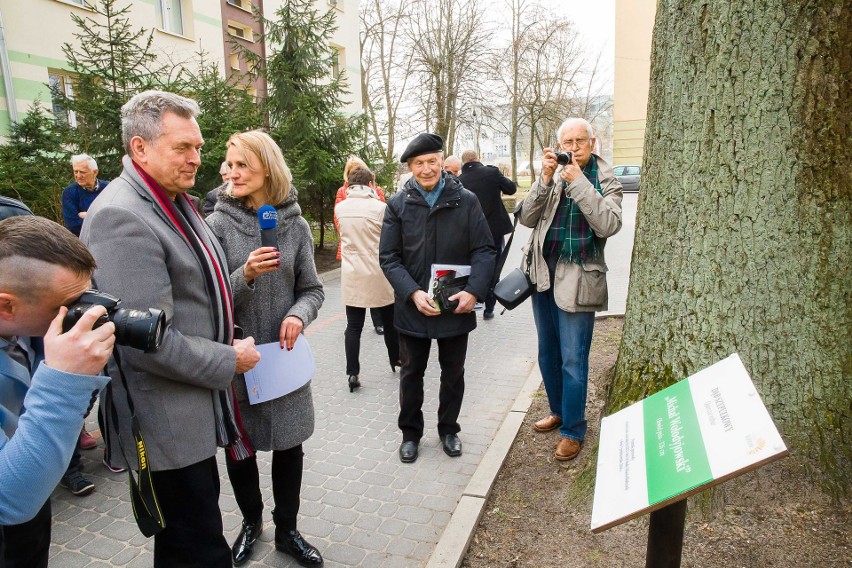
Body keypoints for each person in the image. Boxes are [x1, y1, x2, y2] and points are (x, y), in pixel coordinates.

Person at [80, 90, 261, 567]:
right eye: (183, 148)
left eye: (199, 147)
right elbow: (147, 343)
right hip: (166, 425)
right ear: (140, 148)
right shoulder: (122, 216)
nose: (197, 159)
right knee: (197, 547)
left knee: (189, 540)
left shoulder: (170, 198)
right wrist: (229, 360)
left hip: (191, 409)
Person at [206, 130, 325, 567]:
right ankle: (251, 523)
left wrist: (298, 315)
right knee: (242, 450)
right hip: (239, 360)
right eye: (228, 164)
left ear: (267, 169)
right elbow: (208, 297)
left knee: (289, 446)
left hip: (284, 361)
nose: (229, 172)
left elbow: (312, 289)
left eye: (241, 165)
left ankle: (288, 530)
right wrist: (245, 275)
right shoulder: (216, 225)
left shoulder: (293, 226)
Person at [0, 215, 114, 567]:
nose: (84, 314)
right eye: (66, 306)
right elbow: (11, 499)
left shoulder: (30, 328)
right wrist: (65, 380)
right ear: (6, 305)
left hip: (34, 510)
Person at [380, 133, 495, 463]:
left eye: (432, 161)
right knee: (411, 373)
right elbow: (389, 257)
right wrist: (412, 292)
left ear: (442, 162)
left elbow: (485, 249)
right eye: (419, 163)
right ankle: (410, 434)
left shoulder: (466, 200)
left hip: (456, 305)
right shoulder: (398, 205)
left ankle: (449, 429)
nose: (427, 169)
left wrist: (474, 290)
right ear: (411, 167)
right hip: (414, 306)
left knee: (453, 373)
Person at [519, 117, 622, 461]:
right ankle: (559, 410)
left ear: (593, 143)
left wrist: (578, 182)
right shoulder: (555, 173)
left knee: (573, 359)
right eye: (567, 143)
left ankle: (573, 429)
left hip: (578, 279)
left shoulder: (604, 179)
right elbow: (527, 219)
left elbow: (608, 224)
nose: (573, 148)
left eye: (580, 141)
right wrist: (545, 179)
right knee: (548, 353)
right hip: (543, 274)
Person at [335, 166, 400, 393]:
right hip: (378, 270)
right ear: (371, 184)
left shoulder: (341, 208)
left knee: (353, 326)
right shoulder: (381, 207)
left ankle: (352, 372)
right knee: (390, 322)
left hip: (352, 271)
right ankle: (396, 359)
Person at [458, 149, 518, 319]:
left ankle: (473, 300)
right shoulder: (491, 172)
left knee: (473, 266)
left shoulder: (459, 180)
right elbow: (511, 189)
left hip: (470, 233)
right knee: (494, 267)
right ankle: (489, 307)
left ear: (463, 163)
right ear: (478, 158)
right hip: (494, 231)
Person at [334, 155, 387, 335]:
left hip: (371, 244)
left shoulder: (376, 192)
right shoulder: (342, 192)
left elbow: (382, 215)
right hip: (351, 244)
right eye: (351, 170)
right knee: (358, 289)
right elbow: (338, 219)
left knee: (373, 286)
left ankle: (378, 321)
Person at [61, 154, 109, 237]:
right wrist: (102, 220)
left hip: (108, 239)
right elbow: (73, 225)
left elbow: (115, 218)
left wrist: (88, 215)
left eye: (83, 172)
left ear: (95, 172)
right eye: (76, 171)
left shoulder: (108, 188)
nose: (78, 176)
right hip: (82, 242)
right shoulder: (69, 192)